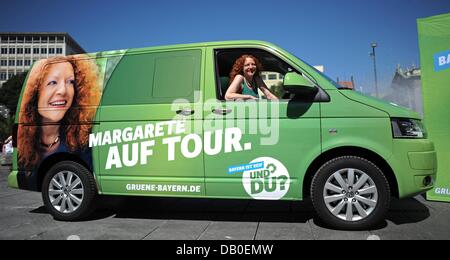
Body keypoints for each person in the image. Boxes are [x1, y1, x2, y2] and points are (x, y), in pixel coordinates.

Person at [18, 55, 102, 171]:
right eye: (53, 82)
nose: (63, 90)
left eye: (70, 82)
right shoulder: (24, 144)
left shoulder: (83, 142)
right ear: (35, 91)